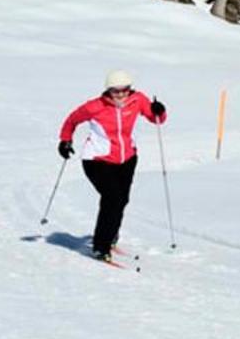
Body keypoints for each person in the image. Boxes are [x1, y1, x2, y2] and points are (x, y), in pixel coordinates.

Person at [57, 70, 167, 261]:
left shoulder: (138, 100)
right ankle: (101, 246)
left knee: (121, 199)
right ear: (108, 91)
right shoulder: (94, 106)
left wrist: (159, 110)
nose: (121, 95)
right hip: (97, 160)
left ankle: (111, 234)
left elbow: (156, 119)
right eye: (116, 92)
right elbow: (72, 120)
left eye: (125, 90)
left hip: (127, 159)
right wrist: (65, 140)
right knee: (112, 198)